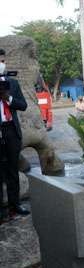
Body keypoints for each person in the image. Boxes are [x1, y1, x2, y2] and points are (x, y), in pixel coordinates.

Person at [0, 48, 29, 222]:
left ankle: (15, 205)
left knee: (12, 170)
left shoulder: (12, 83)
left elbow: (23, 105)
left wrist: (7, 98)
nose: (1, 64)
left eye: (2, 61)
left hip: (11, 130)